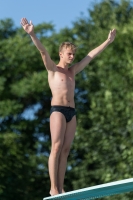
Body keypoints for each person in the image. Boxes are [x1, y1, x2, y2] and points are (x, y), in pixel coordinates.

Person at [21, 17, 116, 196]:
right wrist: (32, 34)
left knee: (65, 150)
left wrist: (108, 41)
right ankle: (53, 188)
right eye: (69, 53)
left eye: (73, 54)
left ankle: (61, 186)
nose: (72, 57)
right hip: (57, 111)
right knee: (56, 147)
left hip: (72, 112)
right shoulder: (53, 69)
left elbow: (91, 55)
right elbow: (43, 52)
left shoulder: (73, 71)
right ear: (61, 54)